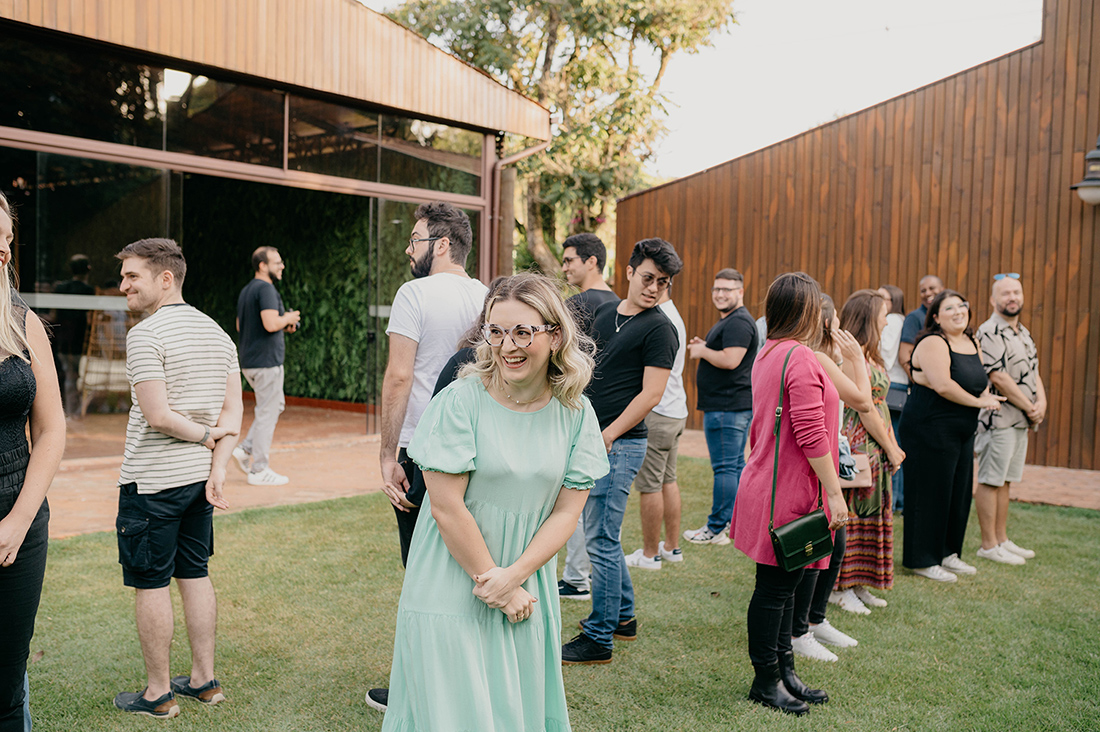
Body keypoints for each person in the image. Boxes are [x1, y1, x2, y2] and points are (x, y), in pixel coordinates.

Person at [380, 273, 609, 731]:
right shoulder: (460, 401)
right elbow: (446, 508)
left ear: (555, 334)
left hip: (527, 585)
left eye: (523, 331)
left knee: (513, 713)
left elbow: (567, 511)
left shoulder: (576, 412)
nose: (508, 346)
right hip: (450, 581)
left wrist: (513, 579)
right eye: (497, 331)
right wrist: (495, 584)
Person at [112, 238, 242, 717]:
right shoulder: (218, 334)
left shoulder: (146, 334)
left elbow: (158, 416)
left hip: (151, 484)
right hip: (198, 484)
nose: (122, 284)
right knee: (195, 573)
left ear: (166, 278)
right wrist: (218, 467)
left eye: (132, 276)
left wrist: (210, 442)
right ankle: (205, 681)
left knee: (151, 582)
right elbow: (234, 416)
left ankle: (158, 694)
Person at [369, 202, 488, 713]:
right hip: (479, 447)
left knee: (420, 571)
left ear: (441, 244)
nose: (407, 249)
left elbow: (399, 376)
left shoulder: (413, 293)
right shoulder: (490, 295)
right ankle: (469, 679)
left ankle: (418, 686)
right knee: (470, 563)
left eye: (414, 239)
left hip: (424, 446)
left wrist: (386, 453)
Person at [730, 272, 848, 716]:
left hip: (778, 484)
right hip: (788, 490)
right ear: (804, 310)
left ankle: (785, 671)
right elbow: (811, 432)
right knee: (776, 589)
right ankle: (766, 679)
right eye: (816, 305)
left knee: (787, 585)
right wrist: (835, 494)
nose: (821, 313)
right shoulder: (797, 356)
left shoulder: (771, 352)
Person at [561, 238, 681, 665]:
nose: (653, 288)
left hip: (621, 445)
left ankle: (598, 637)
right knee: (603, 538)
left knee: (601, 540)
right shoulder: (607, 312)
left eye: (662, 283)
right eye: (648, 278)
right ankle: (623, 618)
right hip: (596, 438)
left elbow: (651, 395)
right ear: (630, 272)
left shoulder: (661, 329)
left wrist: (608, 435)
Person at [0, 191, 66, 732]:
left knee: (4, 683)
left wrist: (19, 520)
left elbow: (51, 429)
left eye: (6, 240)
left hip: (17, 525)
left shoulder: (23, 323)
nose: (4, 251)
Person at [899, 290, 1004, 582]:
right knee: (931, 492)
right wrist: (981, 403)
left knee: (957, 493)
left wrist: (986, 395)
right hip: (929, 427)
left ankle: (948, 553)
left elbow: (977, 381)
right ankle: (922, 559)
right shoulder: (934, 341)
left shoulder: (972, 341)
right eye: (949, 308)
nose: (958, 311)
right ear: (936, 317)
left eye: (962, 305)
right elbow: (943, 385)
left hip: (961, 429)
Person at [790, 294, 870, 664]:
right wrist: (857, 359)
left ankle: (815, 619)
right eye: (836, 319)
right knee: (820, 547)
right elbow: (863, 401)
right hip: (817, 466)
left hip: (829, 460)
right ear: (827, 324)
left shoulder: (823, 358)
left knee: (834, 546)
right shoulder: (818, 358)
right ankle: (801, 629)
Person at [831, 290, 905, 613]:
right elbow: (863, 407)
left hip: (877, 441)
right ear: (868, 318)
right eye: (882, 316)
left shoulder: (870, 353)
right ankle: (840, 585)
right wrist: (891, 446)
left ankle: (860, 582)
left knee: (872, 515)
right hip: (860, 442)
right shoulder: (849, 354)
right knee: (855, 515)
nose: (887, 320)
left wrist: (890, 444)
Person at [558, 233, 619, 600]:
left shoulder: (577, 305)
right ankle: (579, 574)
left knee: (573, 497)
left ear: (591, 261)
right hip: (605, 413)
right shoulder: (618, 304)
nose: (565, 267)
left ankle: (577, 577)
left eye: (569, 260)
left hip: (576, 407)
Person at [684, 268, 759, 546]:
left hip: (728, 407)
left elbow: (731, 360)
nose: (720, 294)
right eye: (717, 289)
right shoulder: (731, 320)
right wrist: (706, 345)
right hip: (728, 406)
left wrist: (703, 351)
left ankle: (716, 528)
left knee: (726, 468)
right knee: (734, 467)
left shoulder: (738, 322)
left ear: (740, 292)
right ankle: (733, 524)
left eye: (727, 289)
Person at [974, 273, 1045, 565]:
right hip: (998, 418)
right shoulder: (989, 331)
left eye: (1016, 292)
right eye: (1005, 293)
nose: (1012, 297)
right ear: (993, 299)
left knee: (1005, 480)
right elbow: (998, 377)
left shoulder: (1022, 332)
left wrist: (1042, 402)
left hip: (1021, 419)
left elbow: (1034, 371)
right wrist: (1030, 406)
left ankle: (1002, 539)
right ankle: (988, 545)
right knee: (990, 480)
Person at [624, 287, 687, 569]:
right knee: (667, 480)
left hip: (659, 413)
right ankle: (672, 547)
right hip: (676, 410)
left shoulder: (661, 319)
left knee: (649, 485)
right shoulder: (673, 315)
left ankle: (650, 555)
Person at [232, 246, 300, 486]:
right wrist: (289, 318)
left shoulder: (247, 290)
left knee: (273, 406)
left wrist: (284, 323)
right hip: (266, 362)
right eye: (277, 262)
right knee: (267, 412)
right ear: (263, 265)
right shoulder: (266, 289)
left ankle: (245, 449)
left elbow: (242, 326)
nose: (281, 266)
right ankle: (259, 469)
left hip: (250, 362)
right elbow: (271, 324)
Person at [52, 254, 95, 417]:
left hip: (62, 339)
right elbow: (90, 318)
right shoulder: (88, 290)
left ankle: (69, 411)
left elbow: (54, 314)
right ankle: (73, 411)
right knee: (75, 376)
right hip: (80, 341)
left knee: (67, 375)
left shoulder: (61, 288)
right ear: (87, 270)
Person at [877, 284, 907, 513]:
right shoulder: (900, 320)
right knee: (895, 441)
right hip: (898, 385)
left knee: (891, 443)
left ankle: (895, 500)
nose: (877, 301)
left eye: (882, 298)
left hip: (891, 386)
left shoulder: (894, 320)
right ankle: (898, 500)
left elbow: (886, 354)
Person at [898, 275, 943, 380]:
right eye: (923, 290)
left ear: (942, 289)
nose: (927, 293)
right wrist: (919, 383)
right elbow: (904, 357)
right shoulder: (914, 318)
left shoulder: (948, 316)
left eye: (932, 288)